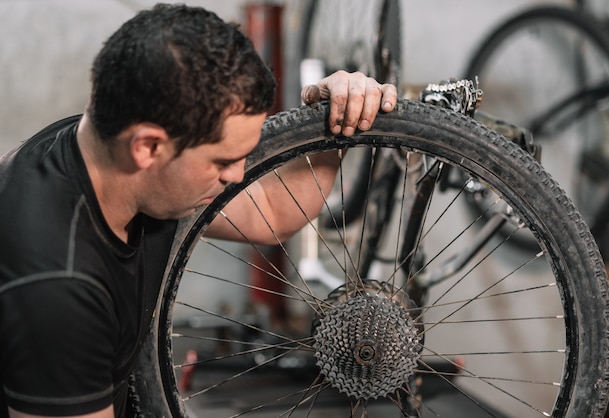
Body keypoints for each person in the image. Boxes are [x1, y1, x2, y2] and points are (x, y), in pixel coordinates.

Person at [0, 3, 397, 418]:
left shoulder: (111, 154)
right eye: (223, 161)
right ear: (148, 147)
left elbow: (270, 209)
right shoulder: (55, 285)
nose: (237, 175)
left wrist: (335, 126)